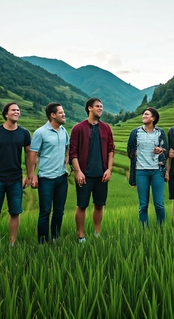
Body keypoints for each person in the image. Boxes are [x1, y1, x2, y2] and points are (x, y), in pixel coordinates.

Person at [0, 102, 32, 247]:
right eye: (13, 110)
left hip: (16, 178)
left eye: (18, 110)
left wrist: (29, 175)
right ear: (6, 114)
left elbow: (29, 153)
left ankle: (12, 243)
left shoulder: (24, 133)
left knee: (15, 212)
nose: (16, 112)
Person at [69, 98, 114, 242]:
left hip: (101, 174)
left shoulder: (106, 128)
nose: (100, 109)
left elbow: (110, 150)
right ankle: (81, 235)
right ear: (89, 108)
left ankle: (97, 232)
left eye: (102, 106)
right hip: (84, 175)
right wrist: (78, 171)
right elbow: (73, 152)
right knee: (82, 205)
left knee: (99, 204)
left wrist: (109, 169)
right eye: (97, 106)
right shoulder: (78, 128)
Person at [28, 103, 69, 243]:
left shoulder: (64, 131)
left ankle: (55, 238)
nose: (64, 115)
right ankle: (42, 242)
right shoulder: (40, 132)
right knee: (45, 211)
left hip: (62, 177)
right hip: (46, 178)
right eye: (61, 113)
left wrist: (66, 161)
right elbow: (33, 154)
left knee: (59, 211)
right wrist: (32, 175)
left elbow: (67, 147)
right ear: (52, 115)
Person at [127, 107, 168, 226]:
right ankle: (144, 230)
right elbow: (129, 150)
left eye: (146, 114)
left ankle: (162, 229)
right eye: (143, 114)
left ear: (153, 118)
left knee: (159, 204)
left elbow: (165, 150)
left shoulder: (160, 133)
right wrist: (134, 154)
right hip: (141, 171)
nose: (143, 116)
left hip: (157, 171)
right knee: (143, 205)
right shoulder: (135, 132)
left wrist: (161, 150)